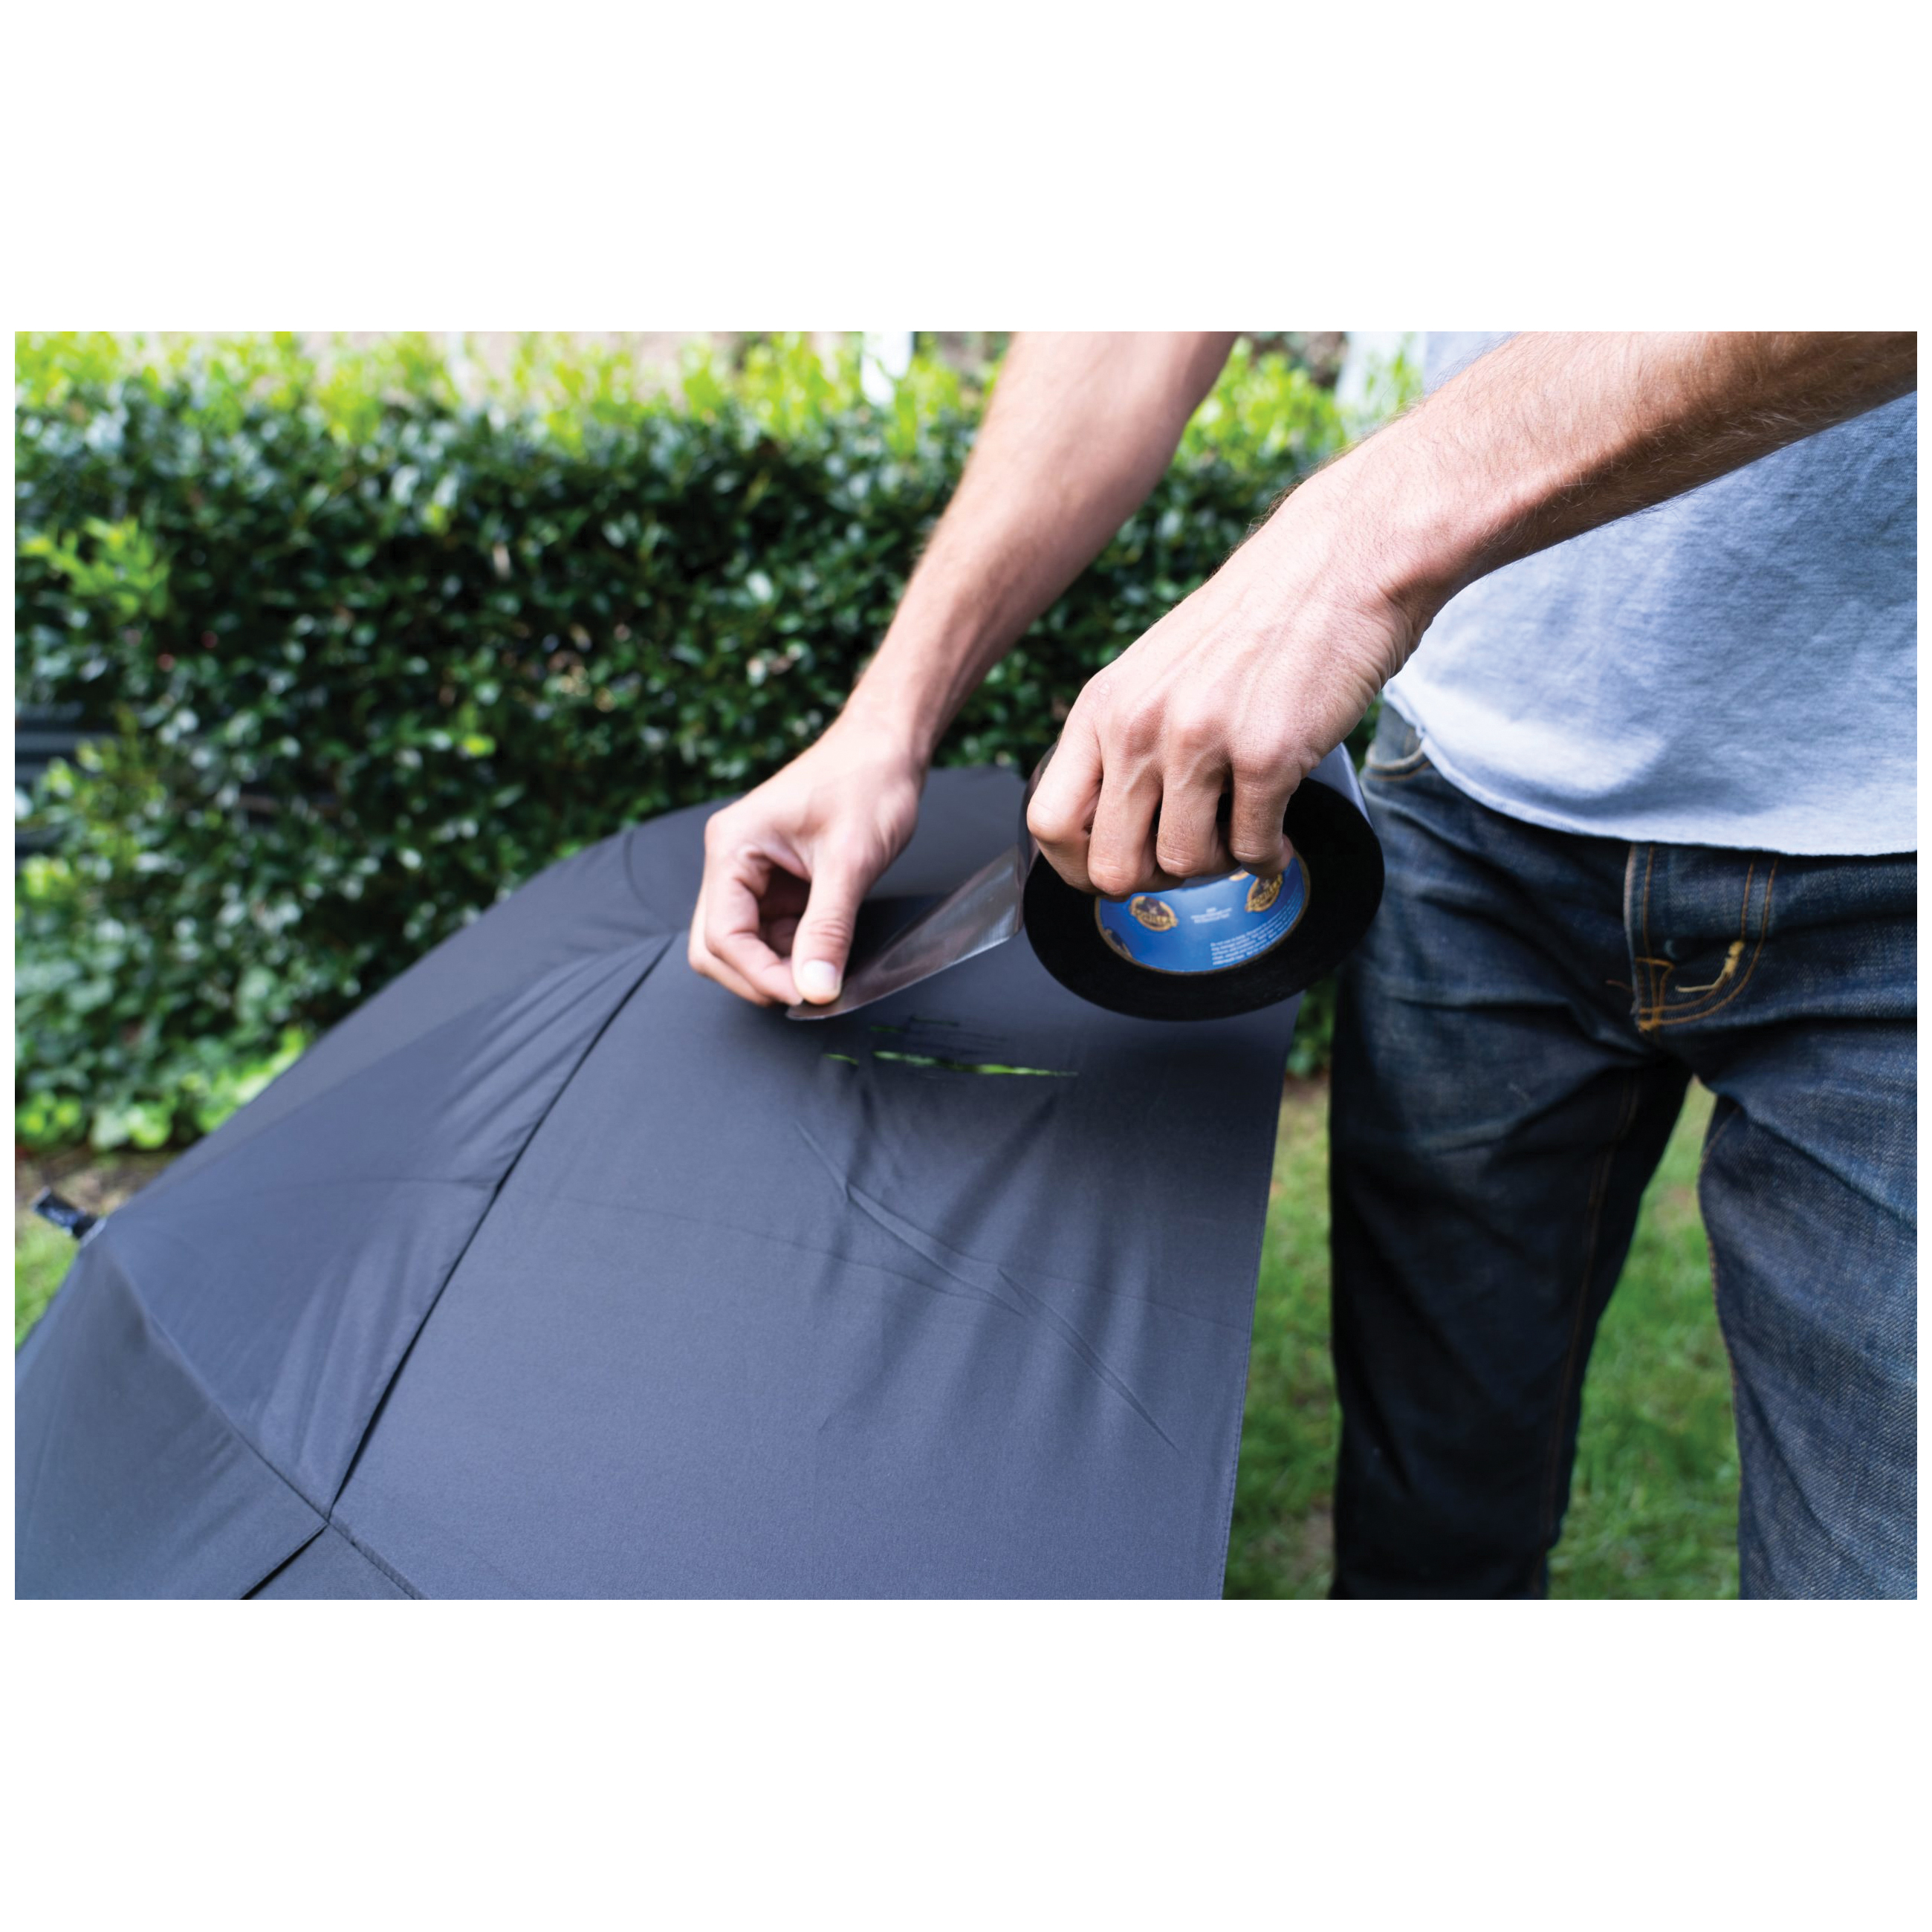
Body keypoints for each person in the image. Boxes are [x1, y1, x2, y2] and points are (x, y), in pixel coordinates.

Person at [687, 331, 1916, 1600]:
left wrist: (1347, 543)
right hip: (1470, 812)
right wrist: (887, 716)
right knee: (1427, 1532)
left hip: (1898, 858)